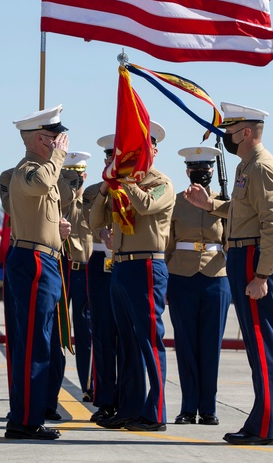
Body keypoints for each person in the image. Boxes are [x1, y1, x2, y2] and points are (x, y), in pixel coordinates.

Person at [184, 102, 273, 447]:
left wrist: (262, 275)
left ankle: (266, 428)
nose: (225, 136)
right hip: (244, 253)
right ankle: (259, 420)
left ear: (245, 132)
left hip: (255, 257)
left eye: (230, 130)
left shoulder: (262, 168)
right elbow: (245, 211)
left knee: (262, 345)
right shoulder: (249, 166)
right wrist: (209, 205)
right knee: (256, 350)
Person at [91, 122, 173, 432]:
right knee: (126, 342)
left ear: (153, 150)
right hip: (121, 265)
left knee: (149, 340)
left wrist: (125, 180)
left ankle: (155, 412)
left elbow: (147, 205)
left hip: (147, 266)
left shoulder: (160, 182)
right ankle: (130, 407)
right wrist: (104, 187)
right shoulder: (118, 183)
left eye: (142, 147)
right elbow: (93, 220)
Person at [4, 105, 70, 441]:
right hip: (31, 261)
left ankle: (29, 415)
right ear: (39, 138)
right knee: (33, 343)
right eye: (56, 137)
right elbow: (41, 184)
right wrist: (57, 158)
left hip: (45, 260)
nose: (61, 143)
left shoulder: (43, 169)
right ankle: (24, 420)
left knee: (41, 341)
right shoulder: (30, 169)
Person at [167, 145, 230, 426]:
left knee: (210, 345)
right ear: (187, 171)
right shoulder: (176, 202)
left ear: (212, 173)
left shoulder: (224, 203)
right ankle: (187, 406)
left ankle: (208, 408)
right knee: (185, 345)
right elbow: (167, 242)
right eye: (195, 170)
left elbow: (232, 241)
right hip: (181, 275)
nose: (200, 175)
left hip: (216, 277)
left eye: (205, 171)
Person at [48, 151, 94, 411]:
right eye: (68, 179)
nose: (74, 185)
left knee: (87, 333)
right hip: (62, 267)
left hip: (85, 270)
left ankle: (89, 387)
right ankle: (52, 392)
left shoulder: (91, 201)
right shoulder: (58, 202)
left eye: (78, 179)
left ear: (85, 176)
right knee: (58, 332)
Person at [84, 135, 119, 423]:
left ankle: (129, 397)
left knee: (128, 336)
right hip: (100, 262)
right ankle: (105, 399)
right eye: (108, 158)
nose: (111, 162)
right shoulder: (94, 191)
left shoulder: (137, 189)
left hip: (128, 262)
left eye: (116, 158)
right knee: (103, 335)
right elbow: (90, 220)